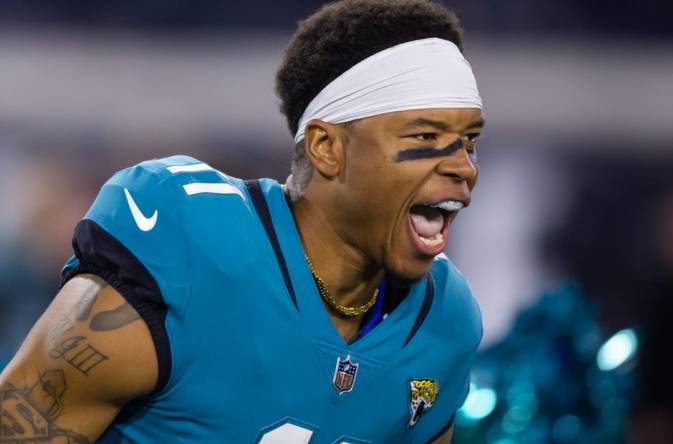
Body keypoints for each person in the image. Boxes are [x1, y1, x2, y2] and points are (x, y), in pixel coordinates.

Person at [0, 1, 485, 443]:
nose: (463, 166)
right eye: (426, 135)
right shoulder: (191, 247)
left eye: (468, 140)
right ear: (327, 149)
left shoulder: (445, 318)